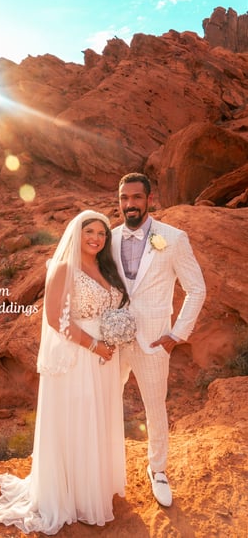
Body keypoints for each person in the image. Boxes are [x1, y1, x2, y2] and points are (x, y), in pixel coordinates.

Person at [0, 210, 130, 535]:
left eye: (101, 233)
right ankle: (73, 496)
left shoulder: (104, 267)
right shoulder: (64, 268)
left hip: (106, 355)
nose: (96, 238)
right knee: (79, 420)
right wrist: (95, 345)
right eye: (89, 232)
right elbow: (55, 319)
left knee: (99, 417)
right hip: (79, 358)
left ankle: (94, 486)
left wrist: (116, 333)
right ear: (76, 234)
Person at [111, 173, 206, 508]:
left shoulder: (173, 238)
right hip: (115, 341)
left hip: (155, 341)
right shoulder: (107, 239)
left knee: (154, 407)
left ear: (149, 199)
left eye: (136, 198)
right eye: (124, 198)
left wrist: (176, 334)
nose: (129, 205)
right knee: (106, 403)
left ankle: (159, 470)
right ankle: (107, 469)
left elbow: (196, 289)